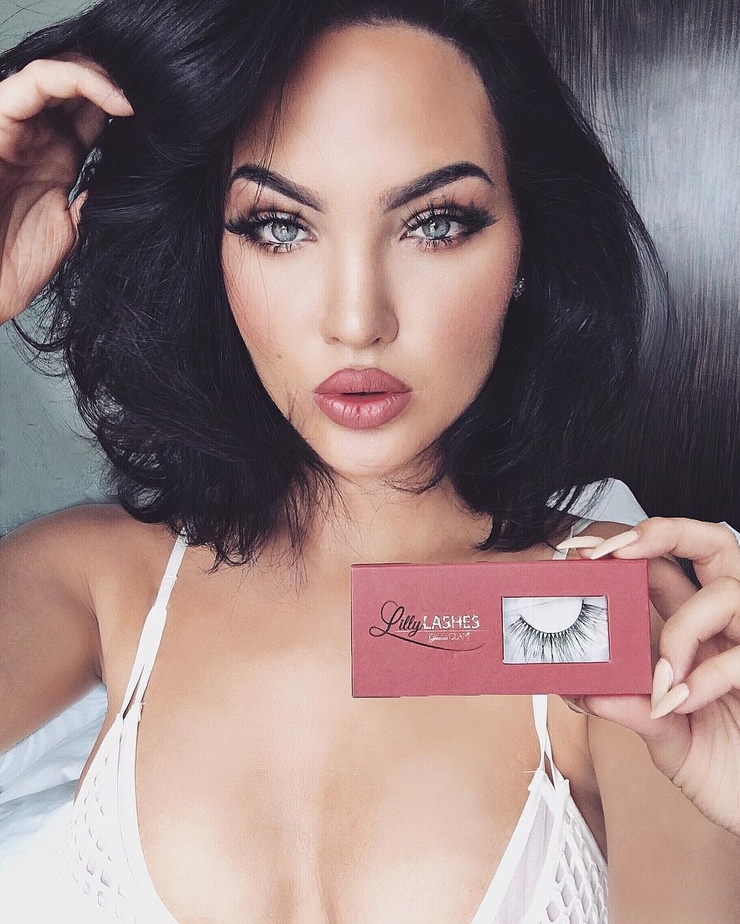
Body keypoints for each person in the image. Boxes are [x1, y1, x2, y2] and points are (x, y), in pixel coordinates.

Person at [0, 0, 739, 920]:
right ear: (209, 244)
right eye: (280, 225)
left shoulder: (610, 616)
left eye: (436, 223)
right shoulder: (101, 581)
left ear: (525, 243)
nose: (357, 320)